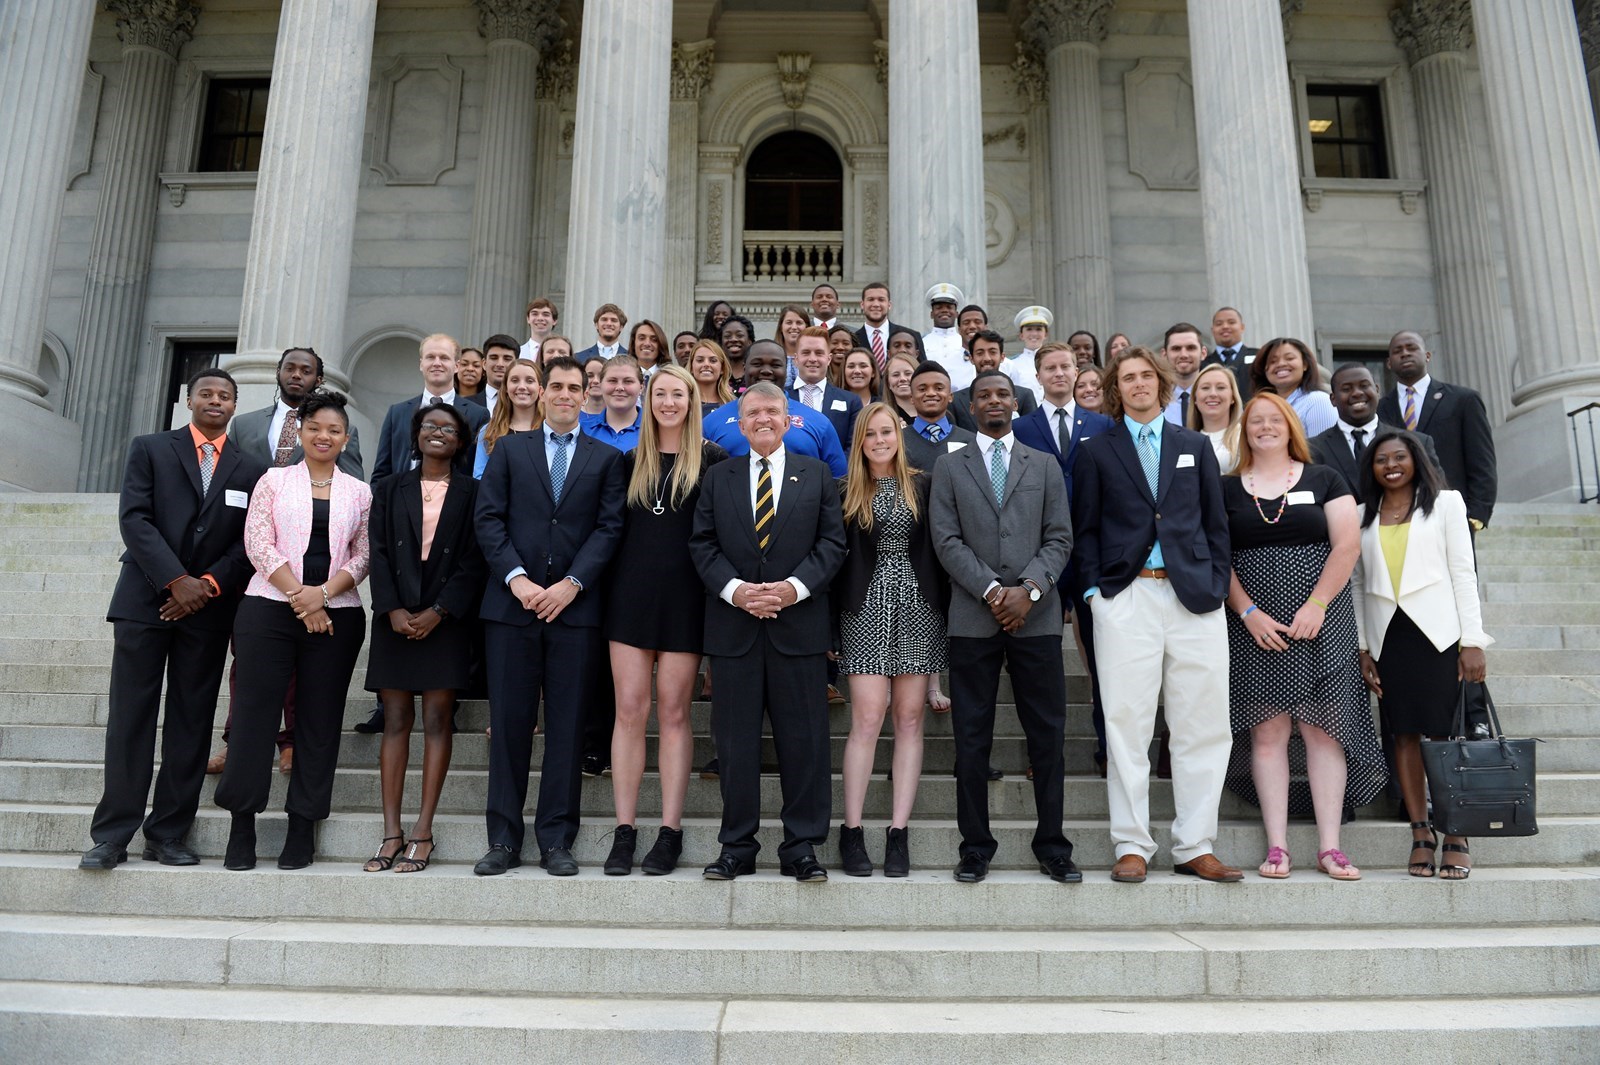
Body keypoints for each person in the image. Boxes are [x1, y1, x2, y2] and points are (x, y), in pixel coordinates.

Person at [80, 369, 268, 871]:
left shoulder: (249, 469)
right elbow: (135, 518)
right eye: (206, 393)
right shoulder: (151, 448)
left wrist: (204, 586)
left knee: (190, 722)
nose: (215, 401)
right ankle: (112, 835)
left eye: (225, 396)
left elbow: (248, 543)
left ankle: (168, 834)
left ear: (234, 406)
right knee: (130, 720)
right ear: (189, 401)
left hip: (206, 611)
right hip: (144, 603)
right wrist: (173, 580)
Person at [1070, 346, 1242, 884]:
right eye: (1128, 378)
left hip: (1194, 598)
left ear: (1162, 384)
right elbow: (1085, 530)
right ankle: (1132, 845)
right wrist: (1099, 594)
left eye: (1147, 376)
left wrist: (1216, 583)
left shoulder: (1193, 446)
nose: (1140, 384)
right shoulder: (1097, 450)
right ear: (1116, 389)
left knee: (1205, 725)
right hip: (1127, 596)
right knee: (1125, 722)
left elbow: (1217, 526)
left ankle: (1194, 844)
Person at [472, 356, 626, 877]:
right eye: (555, 386)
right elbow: (488, 517)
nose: (564, 394)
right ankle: (503, 840)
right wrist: (517, 579)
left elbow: (608, 530)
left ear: (588, 395)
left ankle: (557, 839)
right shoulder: (509, 450)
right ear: (540, 394)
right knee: (511, 725)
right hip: (511, 608)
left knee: (566, 729)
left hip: (575, 610)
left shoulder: (606, 458)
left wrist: (570, 585)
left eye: (574, 387)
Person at [1222, 392, 1385, 881]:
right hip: (1253, 622)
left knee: (1323, 730)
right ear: (1244, 430)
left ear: (1291, 425)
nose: (1265, 428)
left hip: (1321, 617)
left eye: (1275, 420)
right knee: (1268, 731)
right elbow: (1217, 554)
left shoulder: (1324, 477)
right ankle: (1277, 847)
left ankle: (1330, 848)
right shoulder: (1228, 487)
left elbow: (1347, 544)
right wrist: (1247, 611)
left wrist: (1316, 604)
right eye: (1256, 421)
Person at [689, 382, 847, 881]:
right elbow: (702, 544)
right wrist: (736, 590)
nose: (763, 418)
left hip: (798, 628)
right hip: (733, 629)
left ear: (788, 419)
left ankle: (801, 847)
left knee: (805, 744)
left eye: (772, 411)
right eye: (752, 411)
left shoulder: (817, 474)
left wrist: (793, 589)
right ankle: (737, 846)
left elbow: (832, 545)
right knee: (734, 748)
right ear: (739, 421)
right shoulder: (718, 477)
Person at [930, 370, 1078, 885]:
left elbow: (1060, 536)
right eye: (984, 395)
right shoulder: (950, 467)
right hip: (974, 617)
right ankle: (975, 846)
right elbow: (946, 540)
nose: (994, 401)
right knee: (972, 737)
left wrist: (1029, 590)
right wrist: (994, 592)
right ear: (969, 406)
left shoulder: (1044, 464)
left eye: (1002, 394)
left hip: (1036, 619)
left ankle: (1053, 845)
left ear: (1016, 403)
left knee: (1048, 736)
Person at [215, 390, 371, 871]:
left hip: (336, 614)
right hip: (268, 608)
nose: (323, 436)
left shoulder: (359, 492)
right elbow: (258, 544)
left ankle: (302, 827)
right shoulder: (273, 481)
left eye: (334, 430)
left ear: (345, 439)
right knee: (253, 718)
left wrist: (320, 596)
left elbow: (363, 556)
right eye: (314, 428)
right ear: (299, 433)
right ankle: (241, 826)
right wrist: (301, 597)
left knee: (318, 723)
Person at [212, 346, 362, 772]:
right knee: (249, 661)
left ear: (318, 378)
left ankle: (290, 741)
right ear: (279, 372)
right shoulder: (244, 425)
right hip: (251, 558)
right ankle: (236, 741)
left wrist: (314, 593)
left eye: (307, 370)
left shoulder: (336, 434)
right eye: (291, 368)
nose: (297, 375)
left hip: (317, 562)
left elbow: (353, 500)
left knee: (303, 664)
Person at [603, 365, 728, 876]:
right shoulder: (628, 462)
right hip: (630, 598)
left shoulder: (716, 462)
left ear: (692, 399)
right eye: (661, 394)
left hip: (687, 602)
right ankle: (625, 831)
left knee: (674, 714)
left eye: (678, 393)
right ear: (648, 400)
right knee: (630, 711)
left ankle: (669, 832)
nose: (669, 402)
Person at [1351, 430, 1492, 880]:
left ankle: (1455, 834)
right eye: (1380, 460)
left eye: (1399, 457)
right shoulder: (1361, 514)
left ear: (1415, 461)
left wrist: (1472, 640)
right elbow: (1355, 583)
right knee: (1404, 736)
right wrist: (1363, 647)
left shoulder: (1447, 504)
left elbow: (1463, 573)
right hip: (1389, 640)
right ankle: (1420, 834)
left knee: (1444, 737)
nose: (1390, 465)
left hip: (1439, 635)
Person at [363, 402, 486, 874]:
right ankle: (391, 832)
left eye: (449, 429)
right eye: (430, 426)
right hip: (394, 617)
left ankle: (422, 832)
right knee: (395, 720)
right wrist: (392, 608)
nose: (438, 433)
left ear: (460, 442)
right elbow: (375, 548)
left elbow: (475, 558)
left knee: (437, 720)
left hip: (446, 621)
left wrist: (439, 611)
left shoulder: (474, 492)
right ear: (416, 434)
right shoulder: (390, 488)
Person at [833, 403, 948, 877]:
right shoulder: (845, 492)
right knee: (866, 717)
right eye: (871, 434)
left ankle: (898, 833)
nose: (880, 440)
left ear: (898, 436)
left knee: (909, 719)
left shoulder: (923, 484)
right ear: (859, 441)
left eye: (887, 432)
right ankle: (852, 831)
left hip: (918, 607)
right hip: (864, 607)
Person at [1012, 341, 1116, 774]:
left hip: (1093, 555)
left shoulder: (1105, 424)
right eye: (1049, 368)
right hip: (1043, 558)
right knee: (1039, 662)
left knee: (1104, 659)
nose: (1058, 373)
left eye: (1065, 366)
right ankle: (1042, 753)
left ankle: (1108, 749)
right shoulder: (1022, 429)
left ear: (1077, 372)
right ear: (1037, 377)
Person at [1376, 330, 1497, 531]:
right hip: (1395, 516)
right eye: (1398, 351)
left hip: (1451, 512)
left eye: (1412, 348)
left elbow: (1482, 459)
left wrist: (1477, 514)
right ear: (1389, 363)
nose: (1405, 353)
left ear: (1428, 356)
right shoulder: (1379, 409)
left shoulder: (1463, 400)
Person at [703, 340, 848, 476]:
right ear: (744, 368)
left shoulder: (818, 422)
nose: (766, 371)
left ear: (787, 369)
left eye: (776, 365)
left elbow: (838, 480)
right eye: (757, 364)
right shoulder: (712, 422)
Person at [371, 333, 490, 483]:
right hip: (401, 501)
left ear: (457, 366)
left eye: (444, 358)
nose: (437, 363)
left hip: (455, 502)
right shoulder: (397, 413)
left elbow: (478, 470)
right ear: (421, 364)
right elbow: (382, 471)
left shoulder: (478, 414)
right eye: (430, 357)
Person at [1310, 363, 1439, 493]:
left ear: (1377, 390)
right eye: (1346, 389)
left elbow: (1436, 494)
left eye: (1364, 386)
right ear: (1333, 399)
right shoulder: (1313, 449)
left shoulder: (1417, 443)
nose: (1357, 393)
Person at [788, 325, 862, 446]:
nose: (812, 359)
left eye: (819, 353)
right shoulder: (780, 398)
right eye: (806, 353)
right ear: (796, 359)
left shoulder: (851, 402)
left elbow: (853, 448)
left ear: (829, 359)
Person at [1250, 337, 1337, 437]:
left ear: (1305, 365)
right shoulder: (1260, 406)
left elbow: (1324, 450)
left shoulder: (1317, 401)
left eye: (1289, 358)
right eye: (1273, 361)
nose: (1281, 364)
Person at [902, 361, 978, 473]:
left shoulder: (971, 441)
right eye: (922, 389)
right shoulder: (898, 441)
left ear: (950, 396)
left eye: (939, 388)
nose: (931, 393)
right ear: (911, 398)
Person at [473, 358, 542, 479]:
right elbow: (480, 477)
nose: (522, 386)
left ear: (540, 389)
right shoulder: (489, 431)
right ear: (505, 388)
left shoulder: (550, 430)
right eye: (515, 380)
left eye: (529, 381)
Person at [951, 330, 1038, 420]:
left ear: (1002, 357)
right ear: (971, 358)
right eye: (980, 353)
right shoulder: (957, 401)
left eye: (992, 352)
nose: (987, 358)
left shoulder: (1024, 396)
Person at [580, 354, 644, 453]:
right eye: (612, 381)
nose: (619, 387)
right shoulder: (581, 430)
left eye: (628, 381)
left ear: (641, 387)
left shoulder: (655, 429)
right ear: (601, 385)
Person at [1188, 362, 1244, 472]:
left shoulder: (1246, 437)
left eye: (1221, 387)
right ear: (1195, 398)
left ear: (1233, 397)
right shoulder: (1185, 442)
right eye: (1205, 388)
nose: (1213, 393)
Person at [853, 281, 925, 365]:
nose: (876, 304)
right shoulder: (853, 339)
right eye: (871, 299)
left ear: (889, 305)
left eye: (881, 300)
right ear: (862, 305)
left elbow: (923, 370)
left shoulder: (912, 336)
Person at [1161, 322, 1208, 426]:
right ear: (1164, 355)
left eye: (1191, 348)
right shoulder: (1155, 401)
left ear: (1203, 353)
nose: (1183, 355)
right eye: (1176, 349)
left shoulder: (1217, 397)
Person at [1204, 306, 1256, 399]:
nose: (1225, 327)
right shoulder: (1204, 363)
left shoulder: (1259, 356)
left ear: (1242, 327)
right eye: (1219, 324)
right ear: (1212, 330)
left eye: (1231, 322)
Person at [922, 283, 968, 387]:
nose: (944, 310)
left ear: (957, 313)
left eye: (949, 307)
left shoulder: (965, 342)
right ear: (931, 314)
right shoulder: (921, 342)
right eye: (939, 307)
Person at [1007, 306, 1050, 404]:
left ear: (1046, 334)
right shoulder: (1012, 364)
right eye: (1029, 329)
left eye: (1039, 329)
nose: (1034, 334)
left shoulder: (1055, 361)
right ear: (1021, 335)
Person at [690, 338, 734, 414]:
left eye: (713, 360)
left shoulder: (734, 404)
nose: (706, 364)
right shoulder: (683, 402)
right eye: (700, 360)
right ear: (691, 367)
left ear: (722, 368)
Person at [480, 334, 521, 414]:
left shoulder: (529, 405)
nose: (500, 364)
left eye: (507, 359)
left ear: (517, 364)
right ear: (484, 364)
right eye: (494, 358)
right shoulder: (465, 405)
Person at [884, 346, 922, 426]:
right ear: (888, 383)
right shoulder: (883, 417)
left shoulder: (937, 413)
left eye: (908, 374)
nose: (902, 379)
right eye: (895, 375)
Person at [774, 304, 810, 388]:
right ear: (781, 327)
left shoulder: (813, 358)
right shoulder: (772, 356)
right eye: (789, 322)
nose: (794, 327)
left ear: (806, 327)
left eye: (799, 323)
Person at [718, 314, 754, 391]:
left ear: (750, 341)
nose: (733, 339)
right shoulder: (716, 374)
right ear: (721, 343)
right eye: (727, 336)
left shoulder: (755, 374)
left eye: (739, 335)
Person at [519, 297, 559, 361]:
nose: (540, 318)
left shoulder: (562, 354)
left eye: (545, 314)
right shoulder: (518, 353)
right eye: (535, 314)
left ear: (554, 321)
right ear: (528, 319)